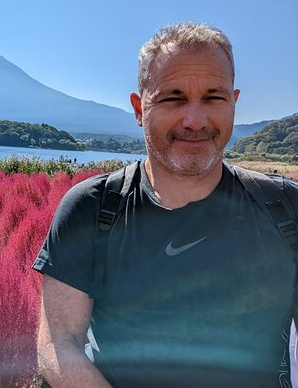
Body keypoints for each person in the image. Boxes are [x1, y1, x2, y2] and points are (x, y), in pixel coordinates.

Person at [33, 22, 298, 387]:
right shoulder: (90, 209)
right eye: (173, 98)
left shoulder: (286, 208)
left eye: (213, 97)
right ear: (140, 108)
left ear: (234, 103)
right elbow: (58, 344)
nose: (194, 120)